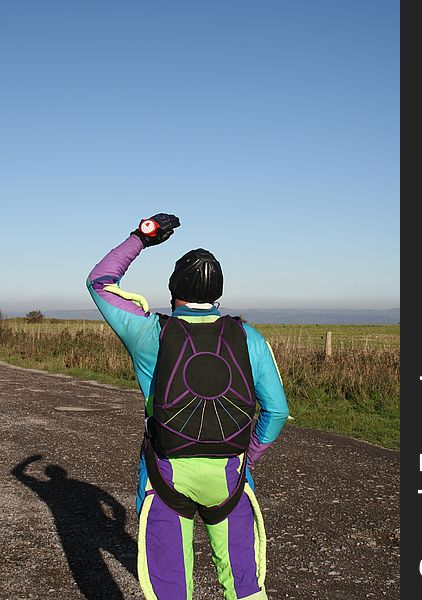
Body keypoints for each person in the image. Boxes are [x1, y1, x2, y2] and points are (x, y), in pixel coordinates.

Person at [86, 213, 289, 600]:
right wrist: (249, 454)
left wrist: (141, 238)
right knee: (243, 585)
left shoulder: (149, 332)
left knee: (171, 588)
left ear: (173, 287)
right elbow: (276, 411)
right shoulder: (248, 337)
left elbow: (99, 282)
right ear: (218, 292)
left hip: (166, 473)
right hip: (230, 475)